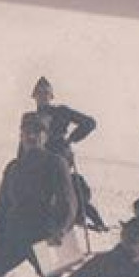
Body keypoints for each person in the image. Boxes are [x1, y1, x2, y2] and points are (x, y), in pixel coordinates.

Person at [0, 113, 77, 277]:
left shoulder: (55, 163)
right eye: (27, 132)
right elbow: (2, 205)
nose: (31, 136)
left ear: (46, 137)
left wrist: (60, 231)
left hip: (44, 235)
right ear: (21, 135)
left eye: (37, 132)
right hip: (14, 235)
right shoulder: (13, 167)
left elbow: (69, 203)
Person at [28, 78, 103, 231]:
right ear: (34, 96)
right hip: (37, 160)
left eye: (46, 94)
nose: (42, 97)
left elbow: (89, 123)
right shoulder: (30, 118)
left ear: (51, 96)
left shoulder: (61, 112)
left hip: (58, 158)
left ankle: (84, 217)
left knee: (65, 191)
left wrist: (71, 139)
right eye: (40, 93)